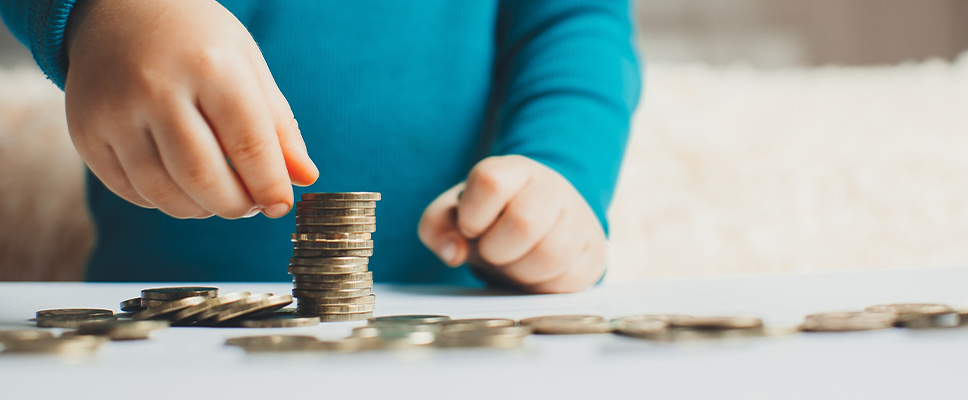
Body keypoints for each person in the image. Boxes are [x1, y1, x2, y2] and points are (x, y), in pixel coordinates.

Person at [0, 0, 640, 293]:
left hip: (453, 327)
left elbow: (576, 29)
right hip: (152, 335)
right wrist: (97, 9)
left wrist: (561, 173)